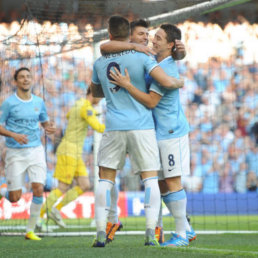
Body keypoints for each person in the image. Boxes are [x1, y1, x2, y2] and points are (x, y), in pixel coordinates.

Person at [91, 15, 184, 248]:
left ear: (110, 34)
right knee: (151, 179)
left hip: (113, 126)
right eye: (142, 34)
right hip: (142, 127)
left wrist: (115, 90)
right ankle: (151, 233)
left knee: (105, 179)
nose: (147, 39)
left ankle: (101, 232)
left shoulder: (99, 62)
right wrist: (178, 82)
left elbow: (96, 93)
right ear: (129, 34)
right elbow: (166, 79)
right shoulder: (142, 57)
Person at [109, 24, 196, 247]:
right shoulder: (157, 64)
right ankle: (185, 229)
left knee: (173, 182)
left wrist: (127, 85)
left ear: (169, 44)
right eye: (152, 36)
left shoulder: (167, 68)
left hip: (171, 133)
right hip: (157, 133)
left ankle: (181, 235)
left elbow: (151, 101)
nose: (153, 40)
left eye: (158, 37)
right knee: (162, 183)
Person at [0, 67, 56, 240]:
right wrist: (13, 135)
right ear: (15, 81)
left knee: (38, 188)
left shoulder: (39, 102)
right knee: (15, 197)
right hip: (15, 152)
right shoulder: (9, 103)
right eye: (22, 77)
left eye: (28, 77)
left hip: (36, 150)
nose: (25, 80)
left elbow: (45, 121)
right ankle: (3, 191)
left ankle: (30, 230)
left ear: (31, 80)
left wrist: (49, 128)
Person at [38, 87, 105, 230]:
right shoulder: (86, 108)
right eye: (100, 96)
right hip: (69, 150)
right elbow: (98, 127)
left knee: (85, 185)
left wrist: (94, 112)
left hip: (75, 152)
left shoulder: (78, 103)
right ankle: (39, 217)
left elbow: (69, 115)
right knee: (62, 186)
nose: (101, 100)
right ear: (93, 94)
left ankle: (56, 209)